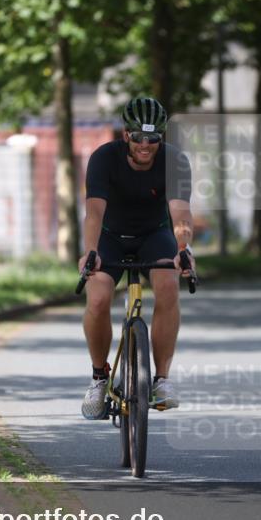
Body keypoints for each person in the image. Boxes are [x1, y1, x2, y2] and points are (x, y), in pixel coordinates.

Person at [78, 97, 194, 419]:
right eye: (138, 137)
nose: (145, 145)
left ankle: (162, 379)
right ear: (126, 135)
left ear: (162, 137)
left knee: (168, 286)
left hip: (154, 235)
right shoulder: (103, 158)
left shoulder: (175, 161)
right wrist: (90, 251)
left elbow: (181, 214)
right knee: (98, 298)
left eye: (153, 138)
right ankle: (100, 377)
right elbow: (94, 212)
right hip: (110, 236)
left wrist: (184, 250)